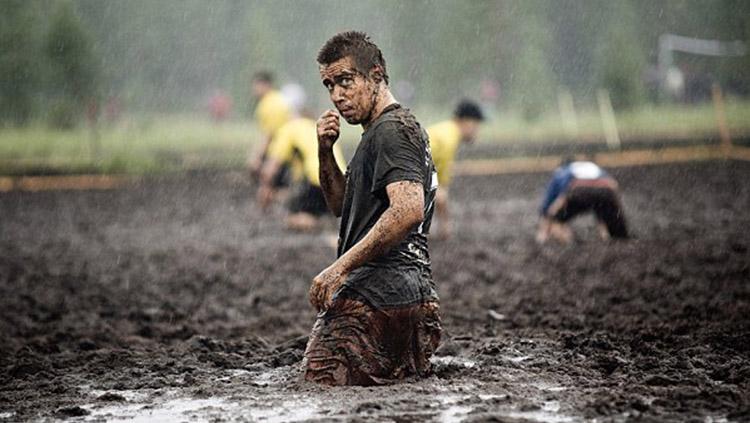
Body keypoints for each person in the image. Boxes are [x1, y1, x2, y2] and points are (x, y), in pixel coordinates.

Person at [303, 31, 442, 386]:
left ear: (376, 75)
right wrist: (324, 149)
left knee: (318, 388)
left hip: (374, 297)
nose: (337, 95)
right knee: (401, 401)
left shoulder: (392, 130)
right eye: (329, 85)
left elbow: (408, 210)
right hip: (412, 298)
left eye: (346, 81)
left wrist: (338, 268)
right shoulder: (379, 132)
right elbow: (339, 204)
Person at [257, 112, 346, 231]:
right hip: (340, 180)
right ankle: (327, 218)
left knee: (292, 217)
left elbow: (270, 169)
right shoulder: (313, 126)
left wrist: (265, 190)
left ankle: (317, 223)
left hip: (319, 179)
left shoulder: (288, 129)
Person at [427, 100, 484, 239]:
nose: (477, 130)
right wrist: (446, 226)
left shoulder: (444, 130)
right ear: (466, 122)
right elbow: (440, 193)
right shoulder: (448, 139)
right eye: (476, 125)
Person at [536, 158, 629, 244]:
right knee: (611, 222)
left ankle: (569, 244)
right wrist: (616, 211)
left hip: (580, 190)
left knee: (556, 221)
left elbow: (549, 202)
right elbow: (613, 185)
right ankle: (613, 240)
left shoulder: (562, 171)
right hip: (606, 190)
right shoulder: (592, 166)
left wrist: (546, 224)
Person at [248, 71, 291, 180]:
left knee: (268, 185)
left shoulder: (268, 104)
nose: (254, 89)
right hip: (288, 150)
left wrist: (256, 157)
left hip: (277, 152)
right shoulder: (279, 98)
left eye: (256, 85)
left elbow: (269, 134)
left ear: (265, 85)